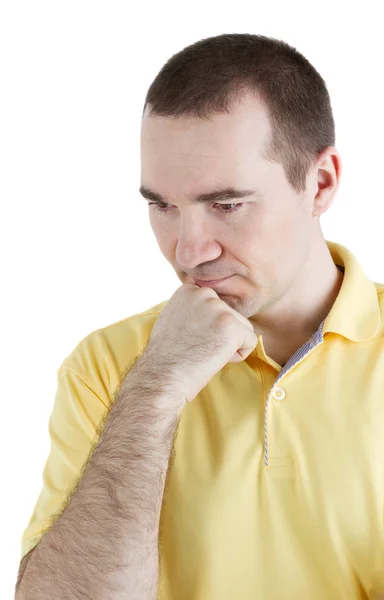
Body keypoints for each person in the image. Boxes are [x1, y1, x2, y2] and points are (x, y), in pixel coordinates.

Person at [15, 33, 384, 600]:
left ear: (322, 183)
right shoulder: (107, 368)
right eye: (162, 205)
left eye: (227, 205)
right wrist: (157, 386)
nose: (188, 253)